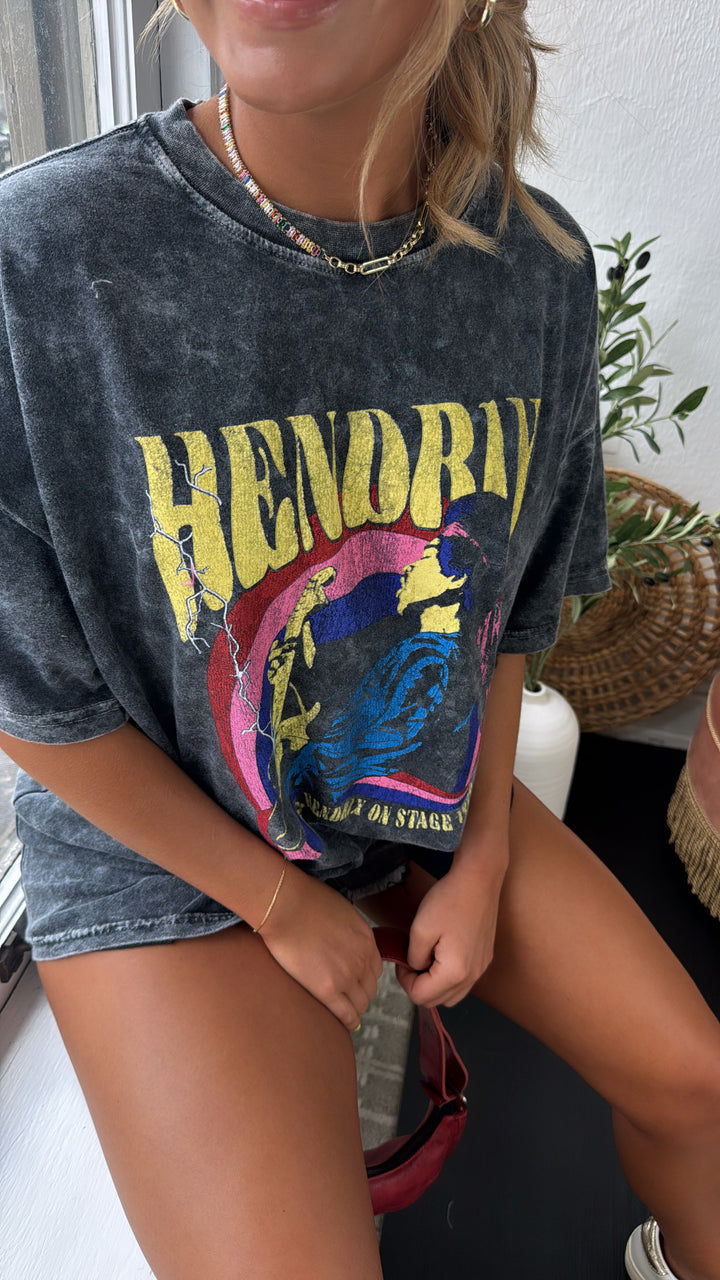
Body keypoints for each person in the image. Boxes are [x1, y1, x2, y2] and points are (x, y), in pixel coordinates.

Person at [0, 1, 718, 1277]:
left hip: (414, 789)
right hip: (167, 845)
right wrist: (277, 898)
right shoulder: (41, 257)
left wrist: (484, 851)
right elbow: (30, 694)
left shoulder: (537, 270)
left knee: (703, 1086)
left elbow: (512, 614)